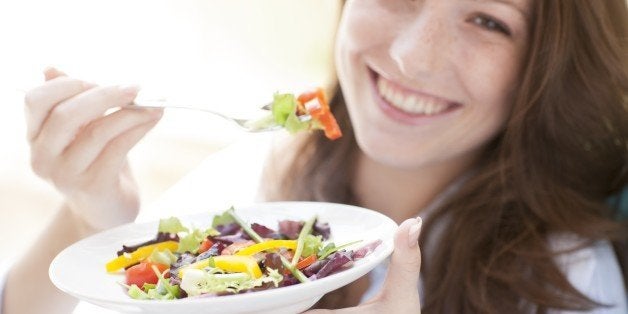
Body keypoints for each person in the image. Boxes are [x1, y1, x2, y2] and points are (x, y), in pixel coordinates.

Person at [4, 0, 627, 313]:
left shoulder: (566, 280)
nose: (415, 56)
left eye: (489, 21)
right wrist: (92, 220)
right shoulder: (251, 181)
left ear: (544, 67)